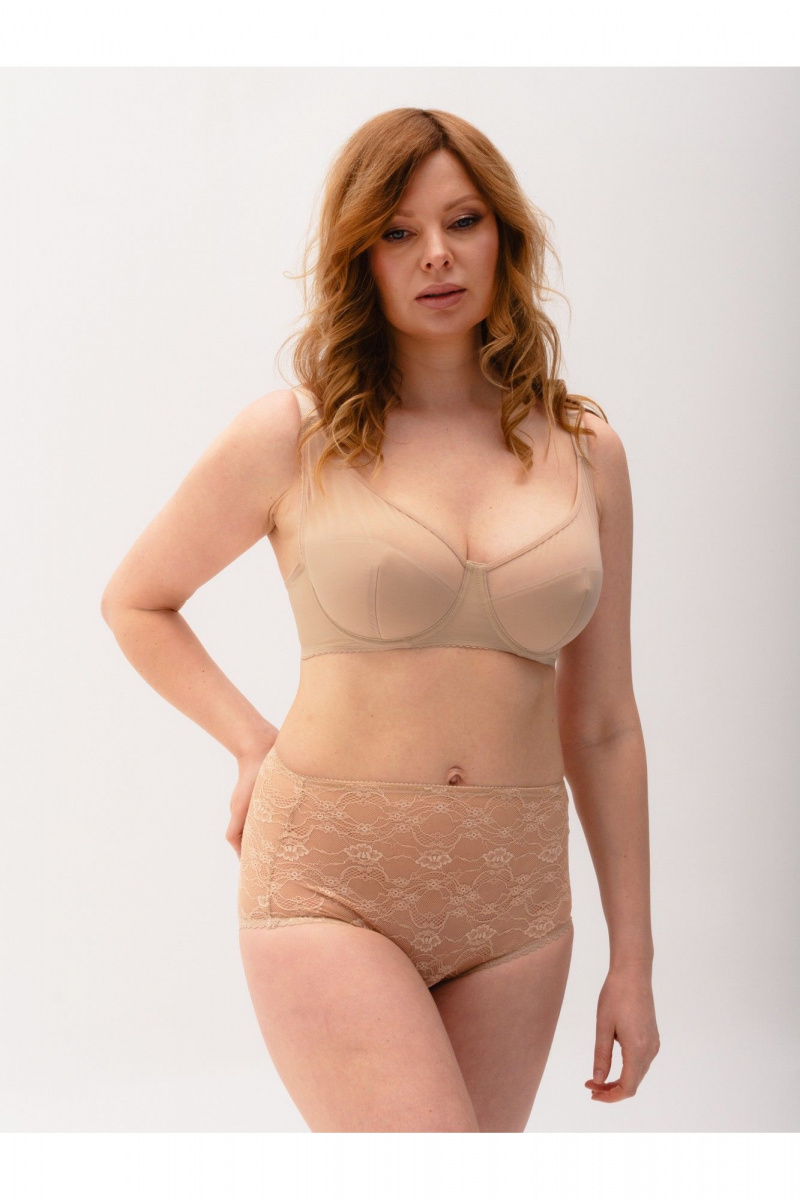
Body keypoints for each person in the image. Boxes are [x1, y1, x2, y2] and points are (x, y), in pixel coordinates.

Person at [100, 107, 660, 1132]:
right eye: (398, 232)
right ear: (360, 257)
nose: (436, 254)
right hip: (330, 880)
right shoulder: (296, 433)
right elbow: (137, 600)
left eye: (462, 221)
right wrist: (249, 742)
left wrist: (635, 960)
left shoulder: (588, 450)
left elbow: (604, 723)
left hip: (517, 902)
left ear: (505, 237)